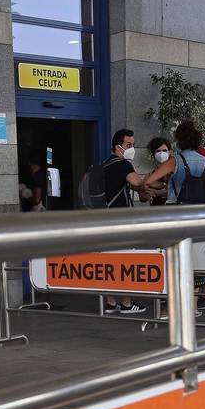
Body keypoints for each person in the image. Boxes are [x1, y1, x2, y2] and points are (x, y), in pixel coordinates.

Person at [147, 120, 205, 312]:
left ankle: (172, 308)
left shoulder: (176, 160)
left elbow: (148, 180)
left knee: (175, 260)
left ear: (179, 141)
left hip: (177, 214)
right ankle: (192, 306)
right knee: (194, 260)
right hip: (201, 216)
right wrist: (203, 185)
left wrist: (167, 187)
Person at [90, 129, 148, 312]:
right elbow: (137, 182)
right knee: (126, 259)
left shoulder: (103, 165)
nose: (132, 149)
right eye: (128, 145)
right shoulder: (123, 166)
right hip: (121, 220)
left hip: (102, 220)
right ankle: (126, 302)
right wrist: (148, 186)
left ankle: (110, 302)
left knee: (108, 260)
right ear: (118, 147)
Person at [144, 137, 175, 204]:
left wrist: (154, 191)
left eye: (164, 151)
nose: (161, 154)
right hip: (155, 211)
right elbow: (143, 193)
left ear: (169, 152)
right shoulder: (149, 175)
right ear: (154, 153)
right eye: (158, 151)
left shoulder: (175, 171)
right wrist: (146, 194)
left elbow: (172, 192)